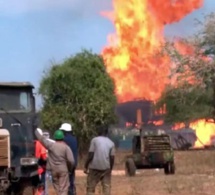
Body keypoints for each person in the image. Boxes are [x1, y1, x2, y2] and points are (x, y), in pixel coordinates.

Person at [35, 128, 75, 195]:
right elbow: (71, 161)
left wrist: (36, 131)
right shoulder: (66, 147)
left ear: (55, 137)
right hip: (63, 170)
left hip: (53, 170)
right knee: (63, 189)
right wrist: (69, 169)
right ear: (63, 137)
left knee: (57, 187)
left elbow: (42, 140)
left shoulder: (51, 145)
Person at [84, 125, 115, 195]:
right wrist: (110, 169)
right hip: (106, 167)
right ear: (107, 133)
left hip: (94, 167)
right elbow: (112, 158)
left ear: (98, 132)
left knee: (90, 188)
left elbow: (91, 154)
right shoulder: (111, 143)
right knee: (106, 188)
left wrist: (86, 165)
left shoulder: (94, 140)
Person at [59, 123, 78, 195]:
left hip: (66, 163)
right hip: (74, 162)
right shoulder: (75, 139)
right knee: (72, 178)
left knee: (64, 180)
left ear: (65, 131)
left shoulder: (63, 139)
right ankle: (72, 191)